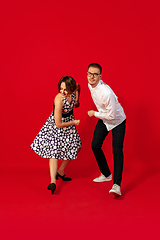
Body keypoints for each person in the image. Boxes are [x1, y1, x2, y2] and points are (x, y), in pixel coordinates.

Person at [30, 76, 82, 194]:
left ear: (71, 88)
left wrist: (77, 100)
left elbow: (78, 88)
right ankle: (53, 181)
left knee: (77, 148)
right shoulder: (59, 99)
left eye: (65, 89)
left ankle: (60, 171)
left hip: (69, 123)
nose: (62, 92)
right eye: (61, 88)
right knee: (54, 152)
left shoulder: (74, 91)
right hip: (57, 125)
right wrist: (74, 122)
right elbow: (58, 124)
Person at [87, 63, 126, 196]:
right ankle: (106, 174)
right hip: (105, 117)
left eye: (95, 74)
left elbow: (113, 115)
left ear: (100, 76)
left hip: (117, 121)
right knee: (95, 145)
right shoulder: (90, 85)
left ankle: (116, 185)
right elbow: (107, 114)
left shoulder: (106, 92)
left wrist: (94, 113)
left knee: (117, 151)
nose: (91, 77)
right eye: (89, 73)